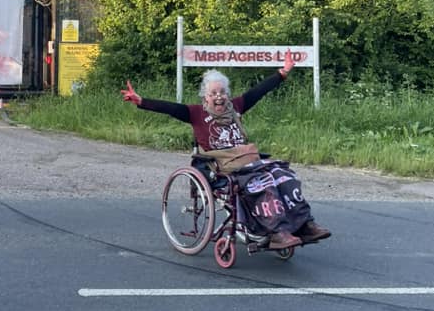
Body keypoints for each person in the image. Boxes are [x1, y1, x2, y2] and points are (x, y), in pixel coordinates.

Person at [120, 51, 331, 250]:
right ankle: (276, 232)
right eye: (213, 93)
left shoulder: (237, 107)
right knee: (261, 183)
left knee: (284, 176)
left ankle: (304, 224)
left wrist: (283, 72)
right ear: (205, 96)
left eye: (222, 92)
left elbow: (260, 90)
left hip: (247, 159)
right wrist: (141, 101)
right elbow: (169, 108)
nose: (219, 97)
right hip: (221, 165)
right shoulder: (195, 113)